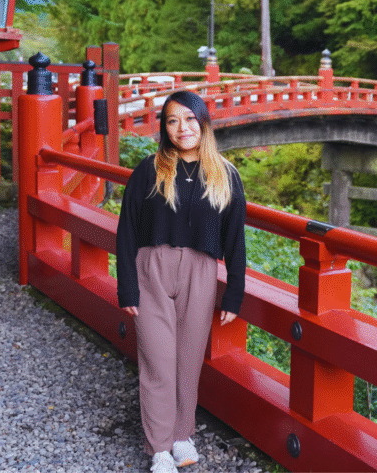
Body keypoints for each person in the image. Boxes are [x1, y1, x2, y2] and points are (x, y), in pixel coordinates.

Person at [116, 90, 247, 473]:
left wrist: (235, 293)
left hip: (201, 272)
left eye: (189, 119)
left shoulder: (225, 174)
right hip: (151, 268)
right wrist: (127, 286)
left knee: (189, 359)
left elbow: (236, 239)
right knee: (158, 360)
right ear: (164, 127)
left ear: (204, 121)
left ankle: (181, 435)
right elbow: (126, 232)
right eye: (172, 121)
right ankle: (158, 447)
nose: (182, 128)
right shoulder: (149, 170)